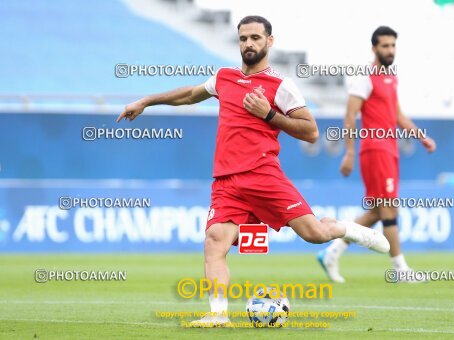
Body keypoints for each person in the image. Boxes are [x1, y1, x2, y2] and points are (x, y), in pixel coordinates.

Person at [117, 16, 389, 327]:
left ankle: (350, 230)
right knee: (214, 240)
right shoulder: (224, 78)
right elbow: (190, 95)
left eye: (256, 38)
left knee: (314, 234)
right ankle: (217, 315)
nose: (249, 43)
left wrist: (270, 114)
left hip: (262, 174)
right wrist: (146, 101)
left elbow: (311, 131)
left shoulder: (281, 86)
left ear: (269, 42)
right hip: (227, 180)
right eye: (244, 38)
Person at [317, 26, 436, 283]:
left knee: (376, 211)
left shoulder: (391, 77)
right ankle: (400, 268)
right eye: (385, 46)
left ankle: (331, 252)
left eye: (393, 46)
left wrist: (420, 136)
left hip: (390, 150)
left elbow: (397, 115)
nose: (390, 51)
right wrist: (349, 152)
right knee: (389, 210)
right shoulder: (364, 77)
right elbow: (350, 116)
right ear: (374, 48)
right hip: (375, 149)